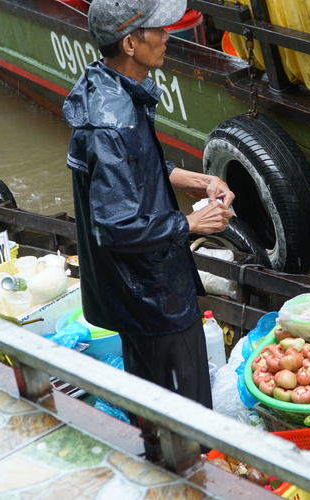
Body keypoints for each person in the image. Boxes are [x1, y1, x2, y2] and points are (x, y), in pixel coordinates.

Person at [62, 0, 234, 412]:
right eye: (157, 29)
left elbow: (135, 166)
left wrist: (197, 179)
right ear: (131, 44)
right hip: (151, 297)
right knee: (185, 417)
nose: (167, 35)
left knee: (154, 409)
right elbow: (116, 226)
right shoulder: (112, 122)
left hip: (134, 293)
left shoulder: (109, 87)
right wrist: (192, 222)